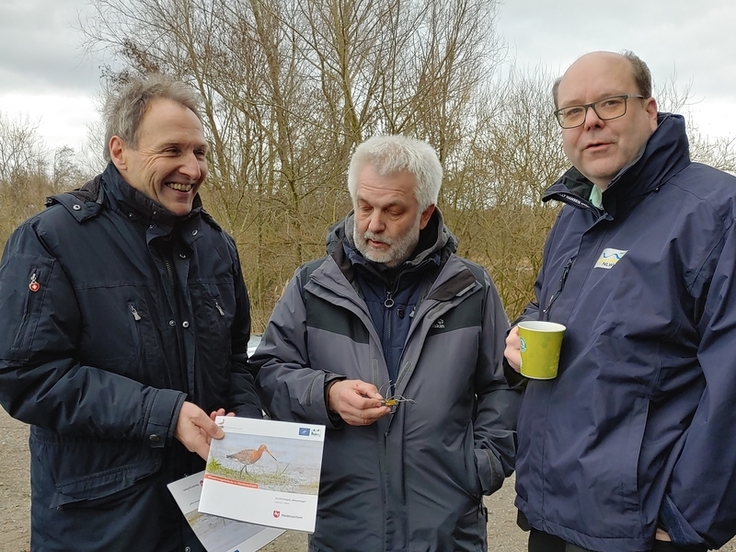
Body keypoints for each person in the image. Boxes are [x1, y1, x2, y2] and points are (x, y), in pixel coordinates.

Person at [0, 75, 262, 551]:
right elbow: (27, 376)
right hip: (103, 526)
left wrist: (242, 416)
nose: (192, 167)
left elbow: (236, 360)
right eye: (173, 150)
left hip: (206, 522)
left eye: (200, 152)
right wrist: (163, 413)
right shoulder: (49, 240)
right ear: (120, 151)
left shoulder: (217, 247)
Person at [504, 50, 736, 552]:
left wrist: (684, 521)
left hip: (642, 529)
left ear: (650, 110)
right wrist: (522, 331)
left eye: (609, 103)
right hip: (552, 514)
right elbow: (549, 306)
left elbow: (732, 383)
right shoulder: (573, 216)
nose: (590, 122)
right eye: (573, 111)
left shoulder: (716, 211)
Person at [252, 135, 520, 551]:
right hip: (343, 527)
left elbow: (501, 385)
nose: (373, 224)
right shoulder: (312, 286)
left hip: (446, 531)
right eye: (364, 206)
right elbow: (269, 373)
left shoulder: (471, 288)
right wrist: (327, 393)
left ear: (425, 213)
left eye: (393, 210)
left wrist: (481, 465)